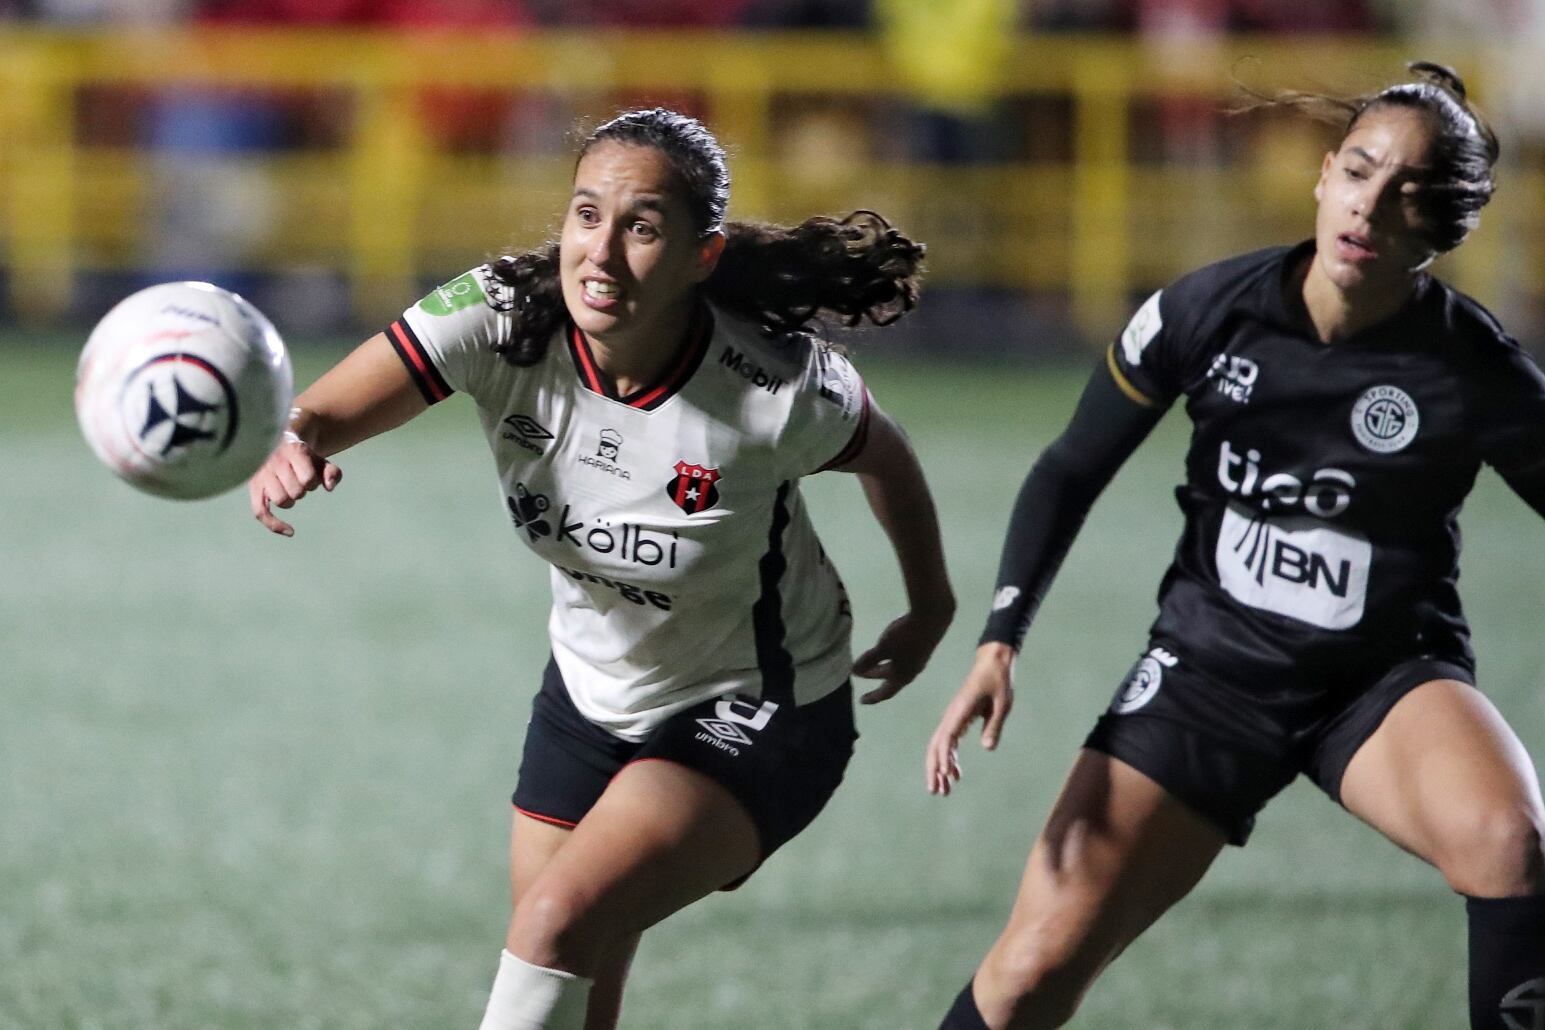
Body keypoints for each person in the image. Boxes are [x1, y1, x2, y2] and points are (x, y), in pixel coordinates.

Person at [248, 107, 954, 1029]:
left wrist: (930, 604)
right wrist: (287, 444)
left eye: (643, 228)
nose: (601, 254)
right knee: (573, 979)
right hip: (588, 696)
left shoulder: (774, 386)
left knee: (553, 924)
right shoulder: (499, 317)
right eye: (587, 216)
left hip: (762, 699)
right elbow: (319, 413)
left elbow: (887, 458)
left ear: (702, 255)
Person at [926, 63, 1545, 1030]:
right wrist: (998, 641)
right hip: (1206, 676)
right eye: (1357, 170)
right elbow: (1068, 469)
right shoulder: (1206, 311)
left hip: (1381, 681)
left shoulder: (1472, 368)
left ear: (1441, 229)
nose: (1369, 205)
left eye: (1407, 192)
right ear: (1321, 175)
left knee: (1507, 841)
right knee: (1029, 972)